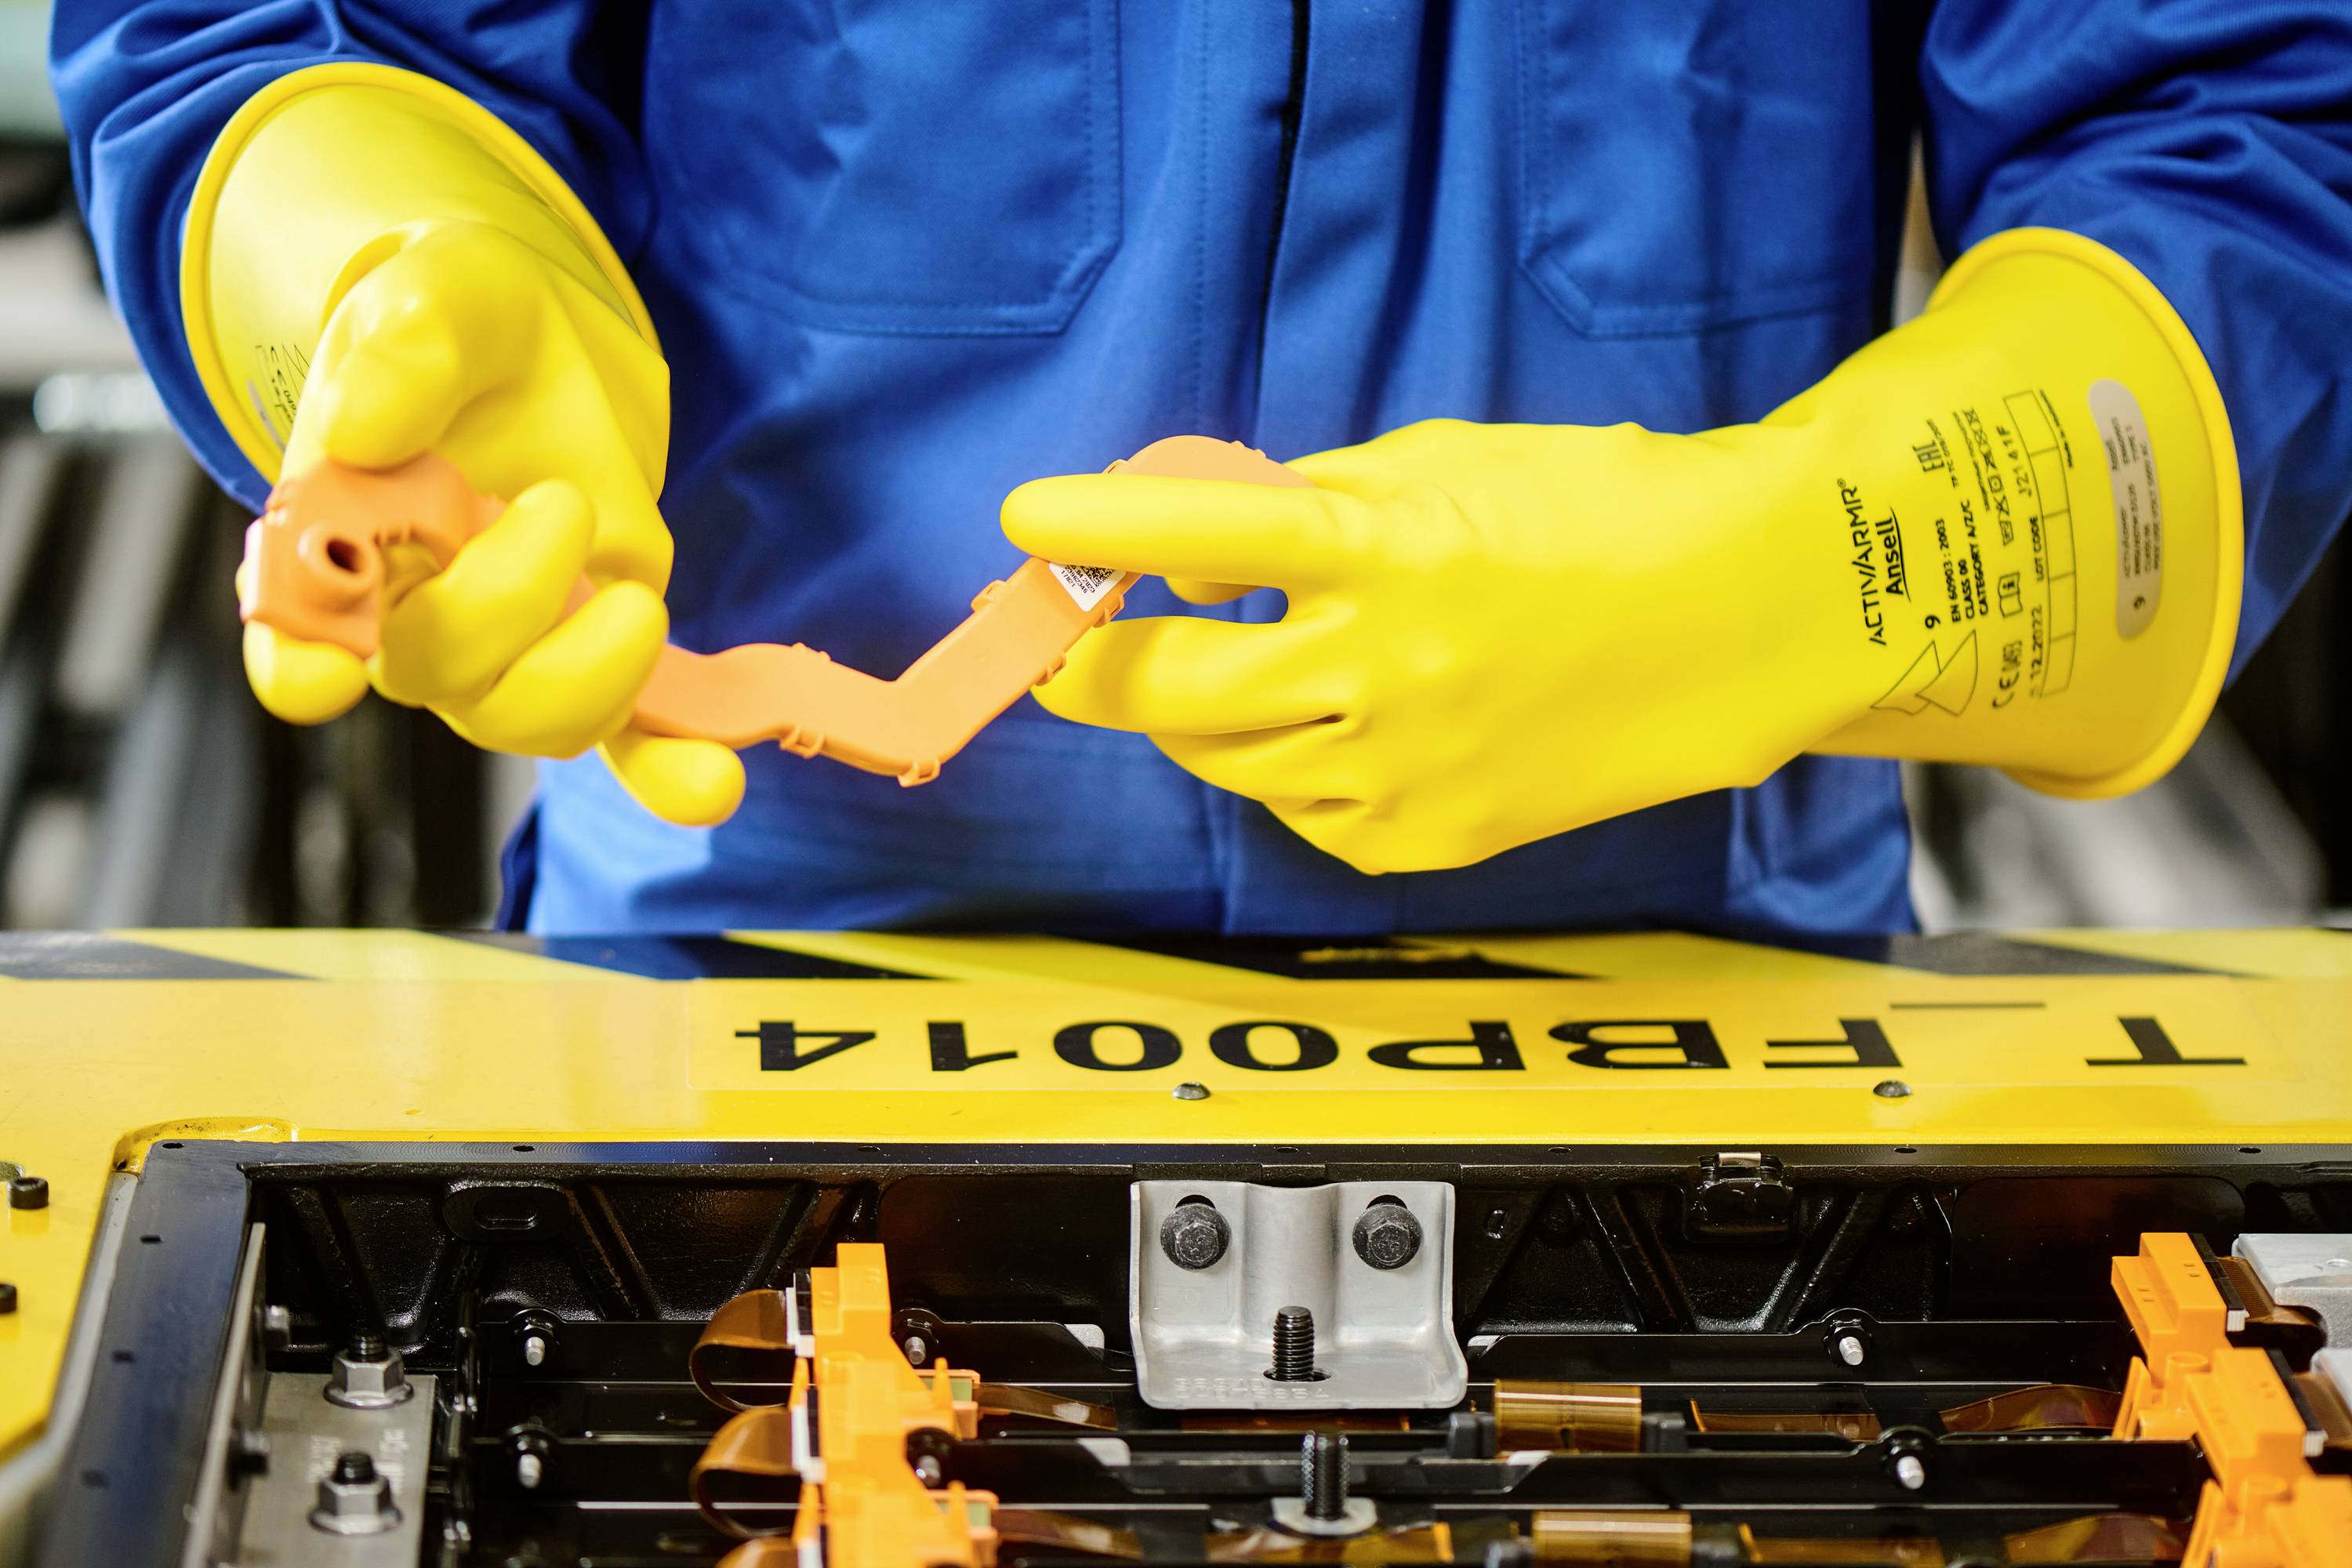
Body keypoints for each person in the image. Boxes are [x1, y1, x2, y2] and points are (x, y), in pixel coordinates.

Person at [49, 2, 2352, 935]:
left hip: (1717, 1049)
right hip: (740, 1014)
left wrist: (1806, 581)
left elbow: (2246, 135)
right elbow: (275, 16)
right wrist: (400, 254)